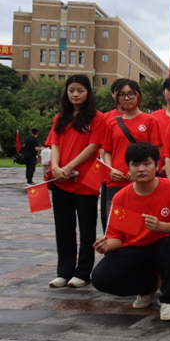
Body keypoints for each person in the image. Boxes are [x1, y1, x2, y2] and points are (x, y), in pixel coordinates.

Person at [91, 143, 170, 321]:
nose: (141, 169)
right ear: (128, 168)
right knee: (100, 277)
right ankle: (148, 287)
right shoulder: (121, 197)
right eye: (135, 165)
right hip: (136, 249)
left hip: (164, 248)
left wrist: (160, 226)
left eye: (147, 163)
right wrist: (105, 245)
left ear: (157, 165)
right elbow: (117, 237)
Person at [46, 75, 105, 289]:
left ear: (88, 92)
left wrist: (69, 167)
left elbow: (93, 146)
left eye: (80, 90)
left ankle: (82, 272)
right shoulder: (60, 118)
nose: (75, 94)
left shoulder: (97, 118)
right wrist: (56, 168)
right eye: (71, 90)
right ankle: (64, 272)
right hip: (60, 180)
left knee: (86, 227)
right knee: (63, 227)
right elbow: (54, 145)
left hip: (86, 181)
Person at [102, 79, 162, 231]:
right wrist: (110, 169)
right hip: (115, 181)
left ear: (138, 96)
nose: (126, 98)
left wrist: (138, 171)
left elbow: (156, 151)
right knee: (115, 226)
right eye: (122, 95)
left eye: (131, 94)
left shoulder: (150, 120)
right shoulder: (112, 123)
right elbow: (107, 150)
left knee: (140, 226)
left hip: (141, 181)